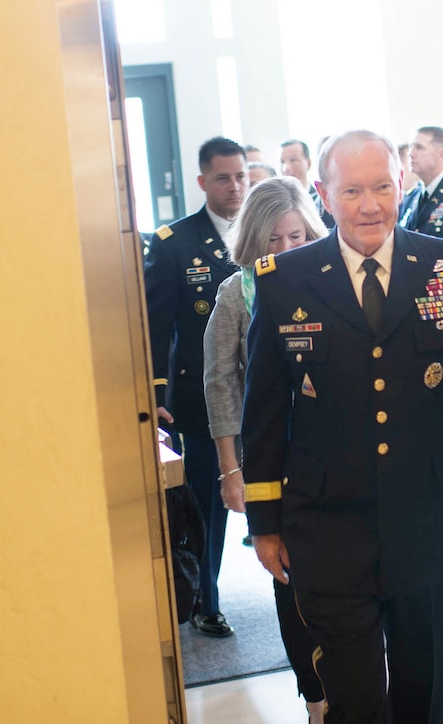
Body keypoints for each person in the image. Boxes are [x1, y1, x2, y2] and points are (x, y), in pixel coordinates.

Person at [241, 130, 443, 723]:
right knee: (355, 695)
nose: (369, 205)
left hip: (429, 516)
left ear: (400, 184)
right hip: (326, 523)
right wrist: (265, 520)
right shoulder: (283, 282)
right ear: (323, 195)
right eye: (351, 191)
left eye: (380, 187)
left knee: (426, 683)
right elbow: (265, 411)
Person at [203, 176, 328, 722]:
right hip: (273, 463)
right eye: (273, 241)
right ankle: (316, 696)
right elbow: (220, 383)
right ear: (254, 242)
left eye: (296, 237)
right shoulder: (238, 294)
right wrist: (231, 470)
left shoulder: (334, 279)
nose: (287, 251)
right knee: (289, 578)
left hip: (340, 457)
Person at [144, 136, 247, 638]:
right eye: (224, 178)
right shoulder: (174, 244)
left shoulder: (266, 233)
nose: (235, 186)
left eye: (241, 176)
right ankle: (207, 598)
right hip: (200, 398)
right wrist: (156, 394)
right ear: (203, 181)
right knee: (210, 504)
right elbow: (157, 329)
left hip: (263, 393)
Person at [280, 138, 335, 228]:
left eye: (293, 160)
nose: (286, 168)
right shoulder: (278, 203)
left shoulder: (319, 201)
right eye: (282, 162)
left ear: (308, 163)